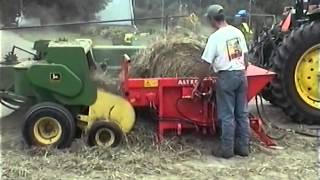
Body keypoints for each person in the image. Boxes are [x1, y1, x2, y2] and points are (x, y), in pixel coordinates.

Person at [195, 4, 250, 159]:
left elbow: (206, 63)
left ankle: (226, 149)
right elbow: (245, 58)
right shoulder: (237, 32)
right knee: (242, 114)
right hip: (241, 76)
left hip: (226, 78)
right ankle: (243, 147)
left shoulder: (216, 37)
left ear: (213, 19)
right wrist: (241, 70)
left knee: (227, 115)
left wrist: (198, 82)